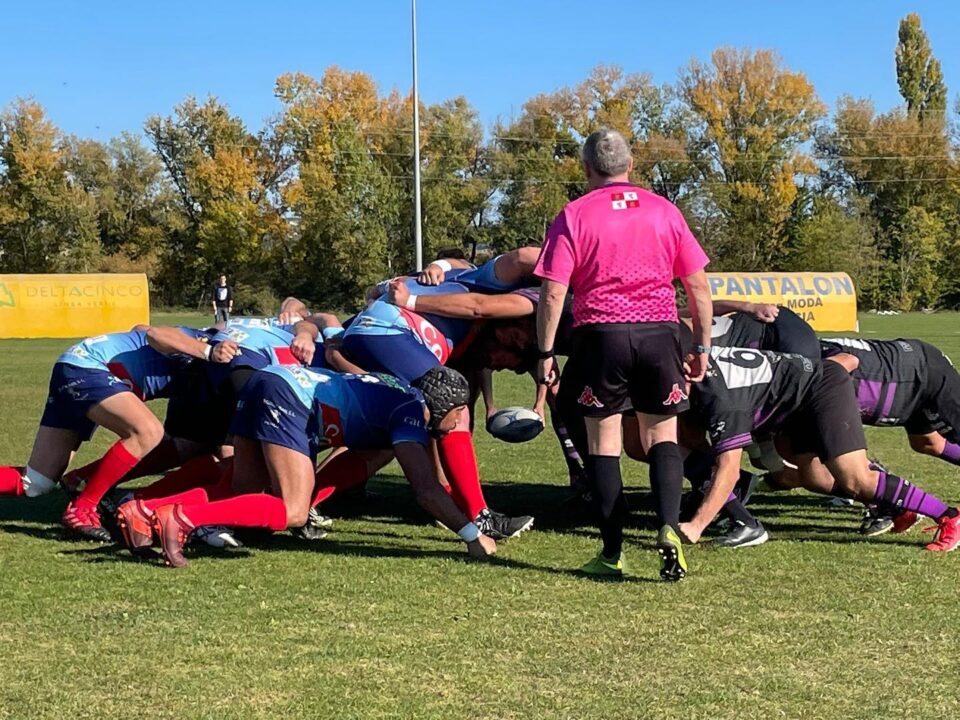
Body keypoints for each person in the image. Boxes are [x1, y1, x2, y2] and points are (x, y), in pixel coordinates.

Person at [535, 128, 713, 581]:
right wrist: (701, 346)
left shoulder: (574, 215)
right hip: (659, 333)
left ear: (587, 169)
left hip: (601, 336)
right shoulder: (665, 211)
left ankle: (613, 552)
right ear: (631, 166)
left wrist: (545, 353)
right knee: (663, 437)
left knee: (604, 443)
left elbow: (553, 294)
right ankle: (670, 529)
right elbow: (697, 286)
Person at [118, 365, 498, 567]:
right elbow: (426, 489)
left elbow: (364, 451)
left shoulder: (398, 390)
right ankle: (181, 519)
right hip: (290, 396)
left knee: (240, 491)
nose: (460, 425)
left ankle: (144, 510)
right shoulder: (411, 413)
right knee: (293, 511)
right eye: (462, 416)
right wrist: (471, 535)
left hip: (266, 378)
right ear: (454, 408)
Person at [681, 345, 960, 553]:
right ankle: (897, 505)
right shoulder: (697, 375)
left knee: (856, 478)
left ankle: (948, 516)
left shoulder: (720, 400)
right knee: (815, 477)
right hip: (796, 403)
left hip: (822, 387)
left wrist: (696, 526)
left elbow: (728, 469)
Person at [0, 326, 240, 539]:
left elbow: (140, 327)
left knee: (35, 483)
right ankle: (83, 508)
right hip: (89, 367)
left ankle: (83, 488)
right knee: (147, 432)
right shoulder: (204, 340)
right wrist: (208, 350)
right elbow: (155, 333)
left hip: (76, 365)